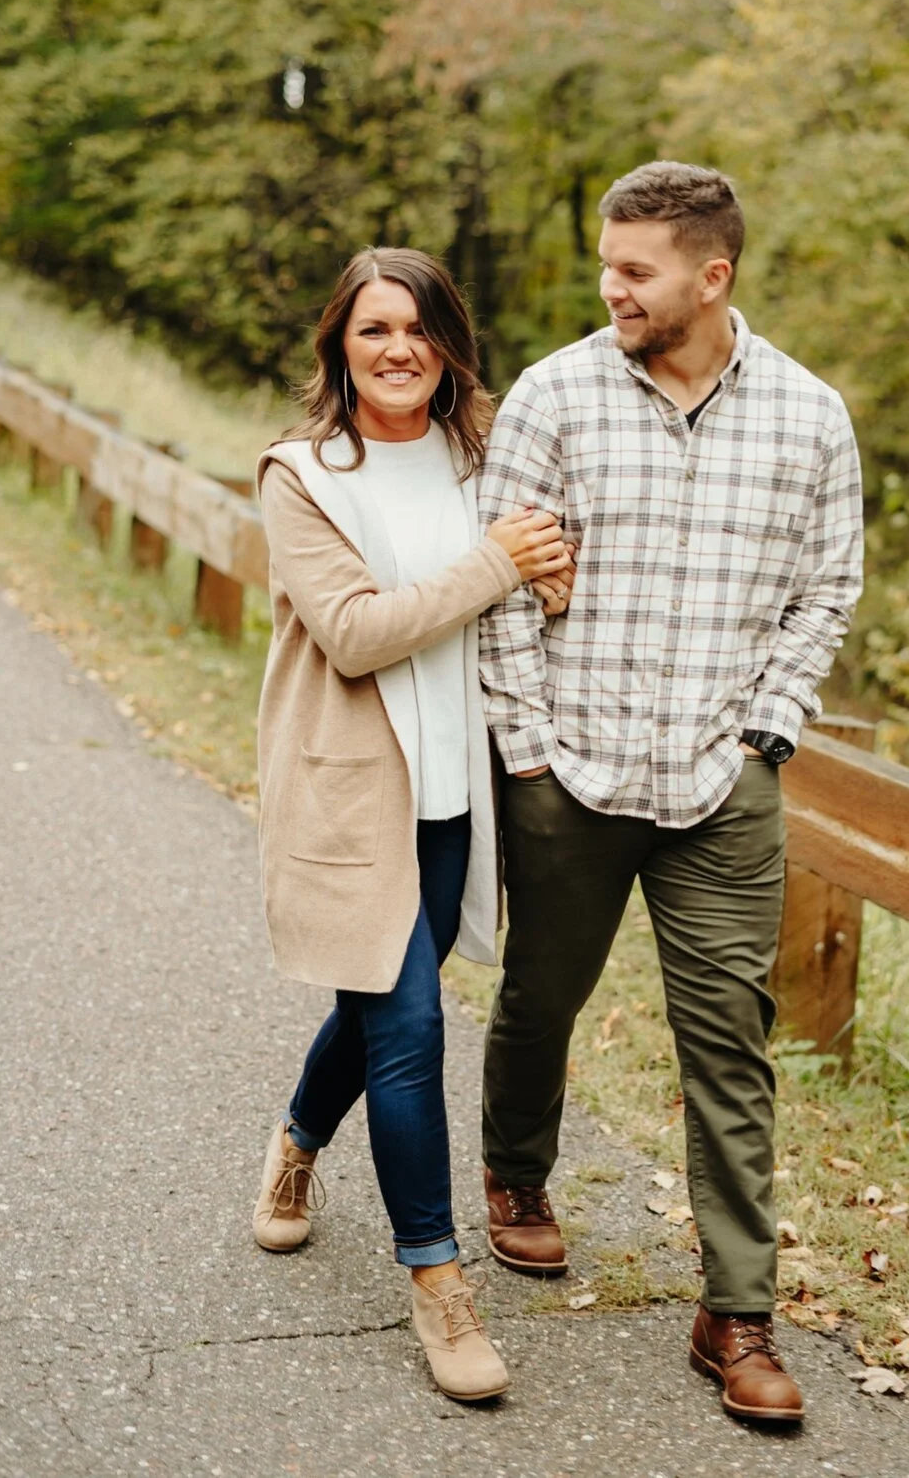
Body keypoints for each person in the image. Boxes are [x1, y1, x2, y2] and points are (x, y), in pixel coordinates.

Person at [474, 161, 863, 1427]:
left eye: (635, 269)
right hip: (571, 769)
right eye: (606, 264)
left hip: (721, 781)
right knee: (542, 992)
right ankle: (518, 1174)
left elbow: (826, 592)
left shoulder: (810, 418)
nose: (611, 287)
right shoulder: (556, 395)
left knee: (730, 1051)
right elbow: (500, 577)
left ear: (712, 274)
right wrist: (527, 753)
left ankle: (736, 1311)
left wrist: (765, 731)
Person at [248, 247, 575, 1403]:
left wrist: (542, 579)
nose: (398, 350)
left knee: (381, 999)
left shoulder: (478, 459)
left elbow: (527, 585)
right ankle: (438, 1287)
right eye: (374, 329)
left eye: (420, 329)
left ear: (450, 345)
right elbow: (356, 631)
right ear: (340, 342)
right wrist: (495, 565)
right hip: (351, 794)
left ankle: (295, 1143)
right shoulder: (303, 475)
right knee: (411, 1028)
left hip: (455, 794)